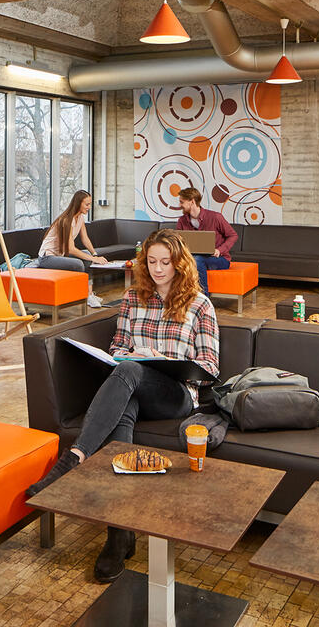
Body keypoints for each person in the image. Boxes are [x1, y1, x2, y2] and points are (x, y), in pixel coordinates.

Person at [24, 229, 219, 583]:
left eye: (166, 262)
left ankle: (74, 458)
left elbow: (209, 368)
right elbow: (117, 347)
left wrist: (160, 359)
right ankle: (119, 537)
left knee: (130, 372)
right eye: (152, 262)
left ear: (179, 263)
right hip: (134, 385)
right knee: (124, 403)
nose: (158, 269)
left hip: (176, 394)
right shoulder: (132, 299)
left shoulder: (200, 305)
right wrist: (126, 355)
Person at [35, 189, 110, 308]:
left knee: (86, 257)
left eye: (90, 204)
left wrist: (94, 255)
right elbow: (71, 249)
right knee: (78, 264)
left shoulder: (80, 218)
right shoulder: (66, 221)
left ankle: (89, 294)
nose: (89, 207)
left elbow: (85, 239)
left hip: (60, 255)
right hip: (47, 257)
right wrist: (94, 259)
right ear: (78, 203)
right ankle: (82, 295)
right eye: (87, 204)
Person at [176, 187, 238, 297]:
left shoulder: (215, 217)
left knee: (197, 260)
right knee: (191, 260)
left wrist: (219, 250)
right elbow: (179, 242)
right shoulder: (182, 221)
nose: (179, 205)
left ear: (192, 201)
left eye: (182, 202)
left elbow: (233, 235)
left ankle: (203, 298)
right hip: (193, 258)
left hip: (219, 259)